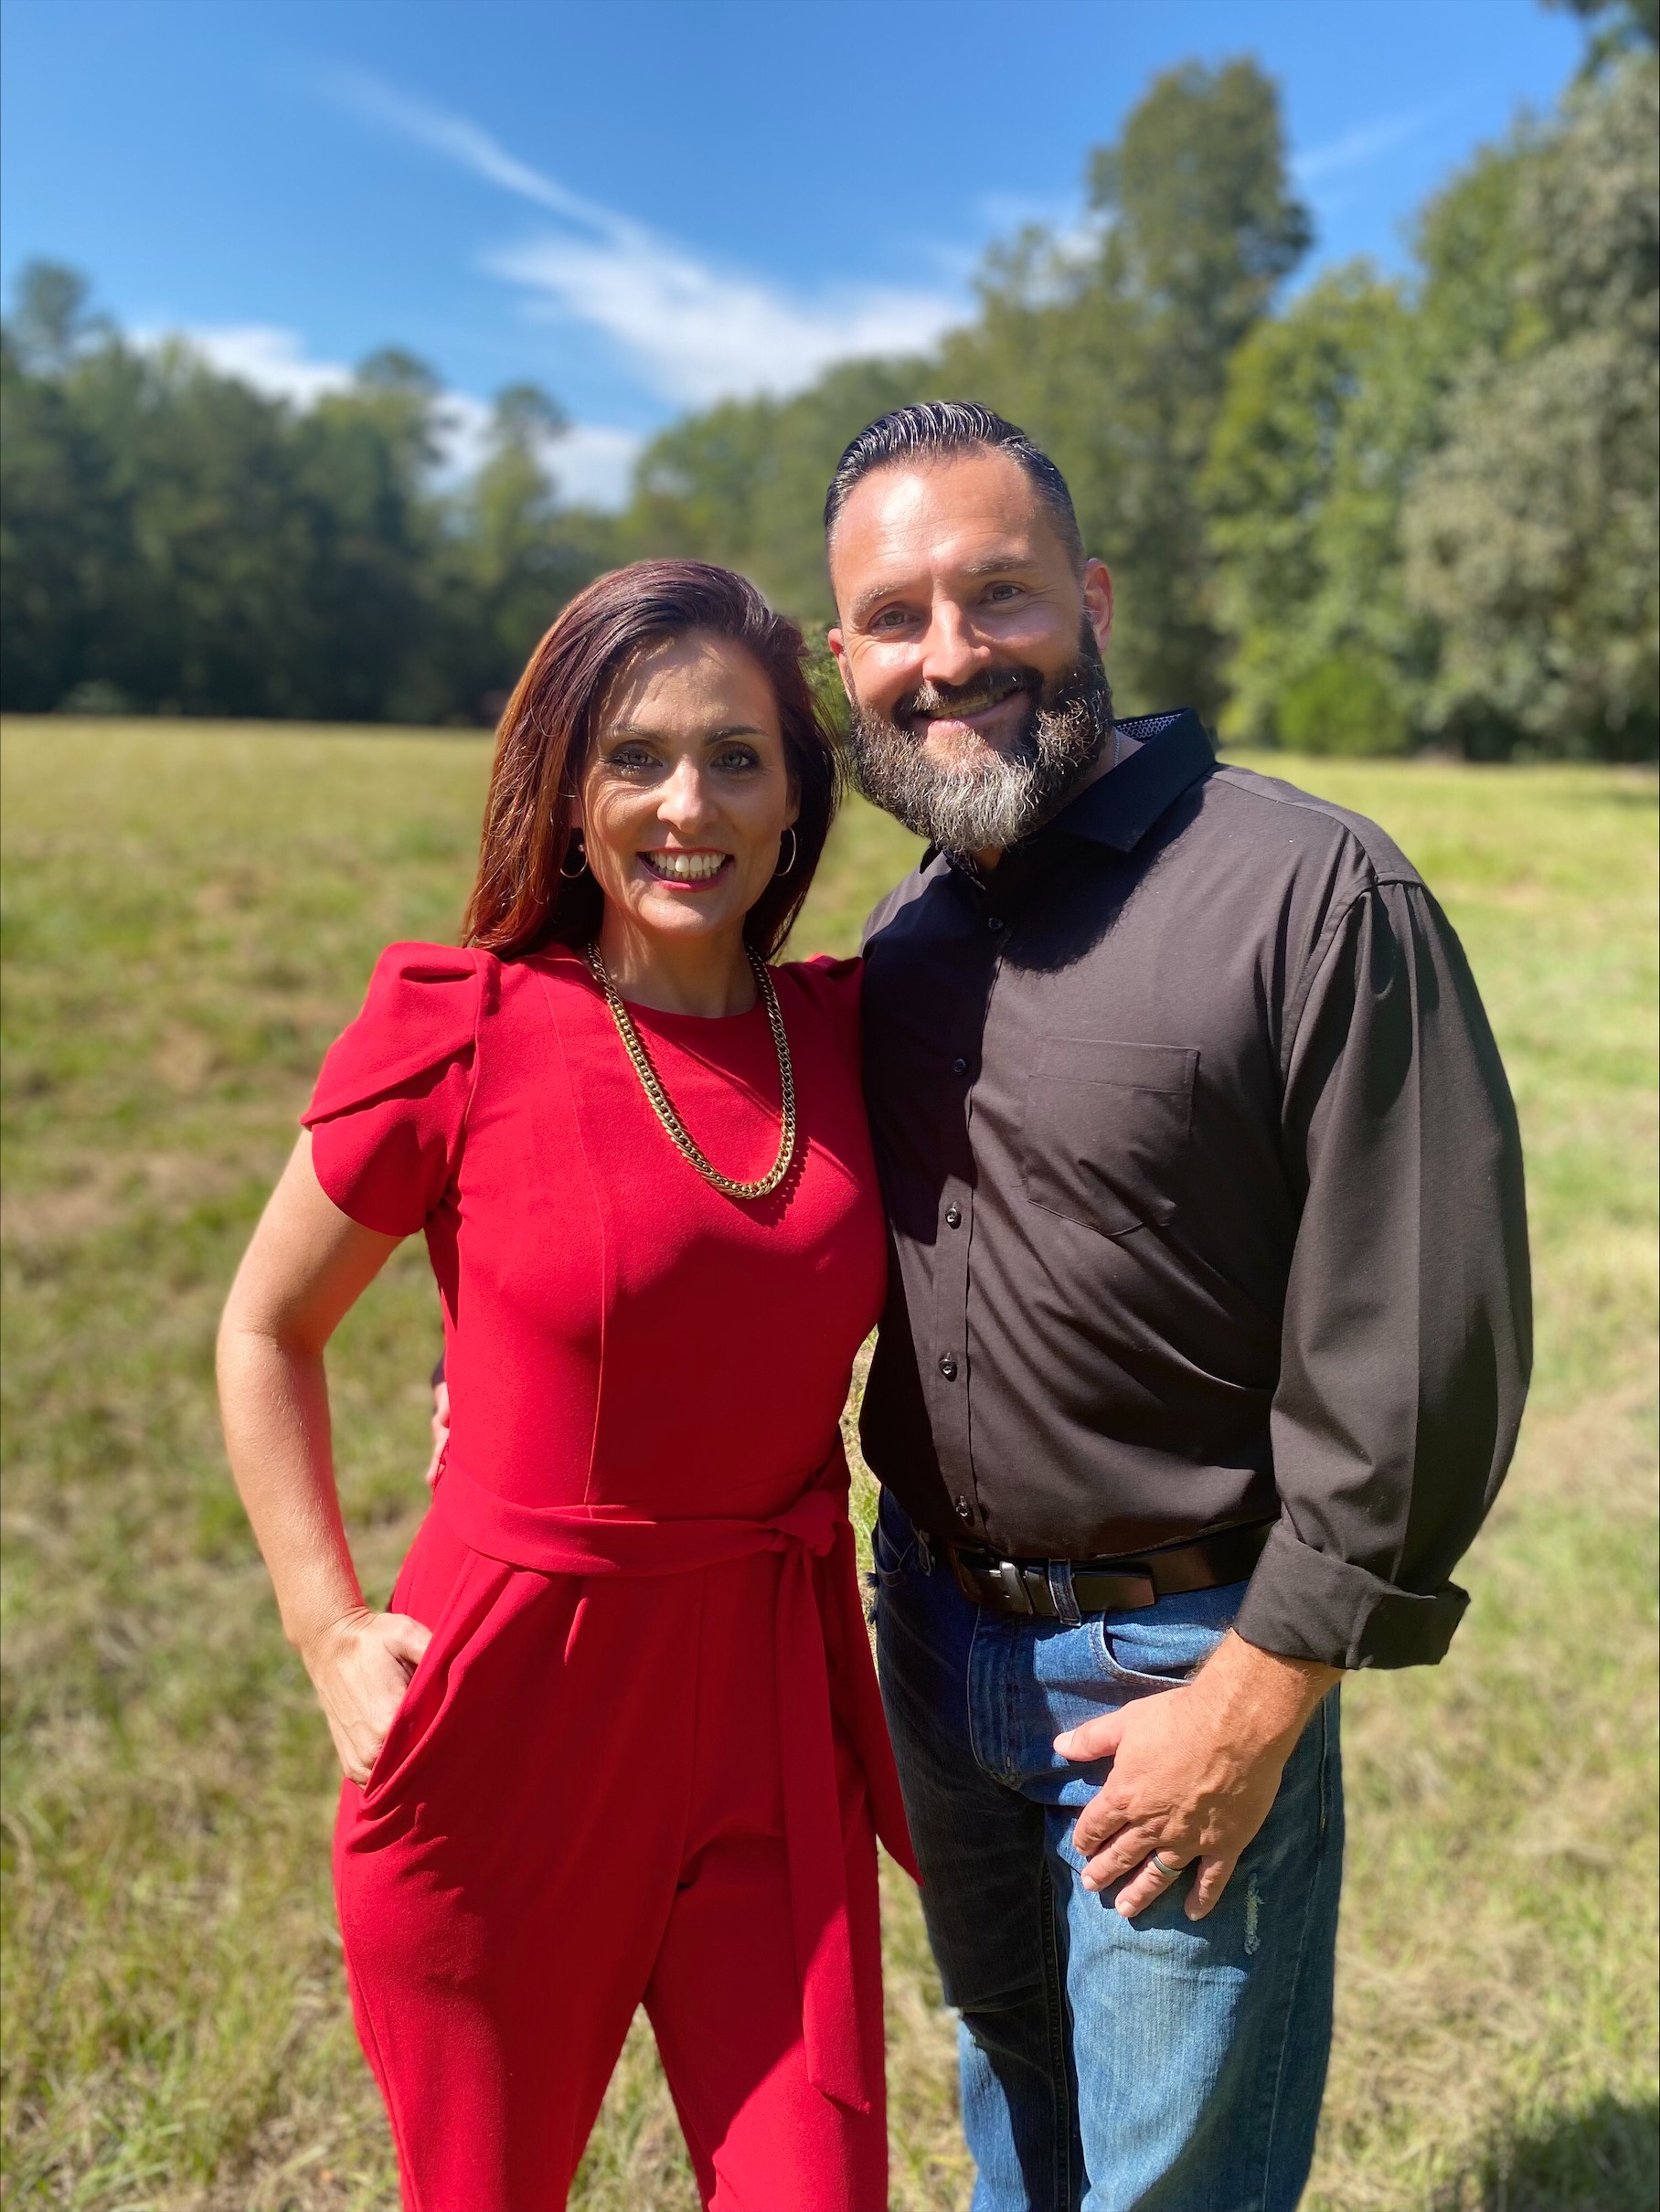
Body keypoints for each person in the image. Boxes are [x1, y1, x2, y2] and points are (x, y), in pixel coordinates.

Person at [825, 403, 1532, 2211]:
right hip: (937, 1639)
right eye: (895, 615)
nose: (948, 653)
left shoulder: (1308, 892)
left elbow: (1423, 1339)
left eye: (998, 592)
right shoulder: (903, 941)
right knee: (1013, 2103)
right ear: (843, 659)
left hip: (1182, 1660)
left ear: (1093, 598)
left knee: (1167, 2181)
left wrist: (1262, 1688)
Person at [217, 561, 917, 2212]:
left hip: (769, 1710)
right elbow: (264, 1330)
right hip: (511, 1726)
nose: (689, 807)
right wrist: (327, 1628)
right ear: (565, 789)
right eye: (636, 758)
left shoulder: (854, 1032)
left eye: (737, 757)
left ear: (797, 794)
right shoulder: (463, 1030)